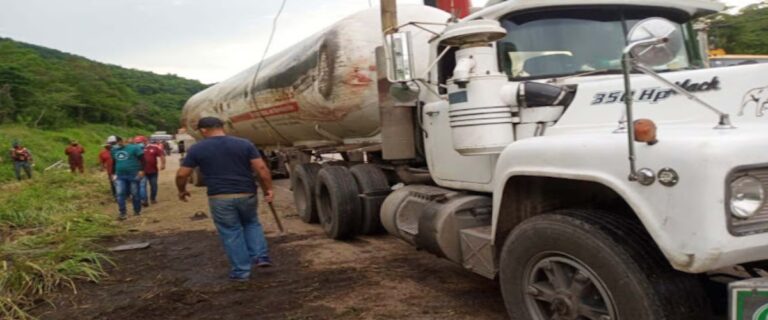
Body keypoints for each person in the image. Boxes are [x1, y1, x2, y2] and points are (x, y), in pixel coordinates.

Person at [175, 117, 275, 282]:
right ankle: (260, 256)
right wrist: (268, 189)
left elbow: (182, 174)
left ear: (204, 130)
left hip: (220, 196)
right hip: (247, 194)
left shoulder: (197, 149)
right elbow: (262, 169)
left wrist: (182, 190)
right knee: (251, 223)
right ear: (222, 127)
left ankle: (241, 272)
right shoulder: (245, 144)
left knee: (231, 231)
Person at [111, 136, 145, 220]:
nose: (116, 145)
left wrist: (141, 170)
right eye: (114, 144)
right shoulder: (113, 150)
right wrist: (113, 173)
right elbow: (114, 162)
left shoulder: (134, 148)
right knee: (120, 194)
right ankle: (122, 212)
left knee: (135, 193)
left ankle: (137, 210)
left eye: (117, 143)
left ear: (122, 141)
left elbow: (143, 159)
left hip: (133, 174)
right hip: (120, 175)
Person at [134, 135, 165, 206]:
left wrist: (163, 164)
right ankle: (144, 200)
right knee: (142, 185)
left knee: (154, 186)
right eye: (136, 142)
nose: (138, 144)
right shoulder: (135, 149)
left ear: (145, 141)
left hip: (153, 171)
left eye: (139, 142)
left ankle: (153, 198)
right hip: (141, 171)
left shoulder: (154, 147)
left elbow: (161, 155)